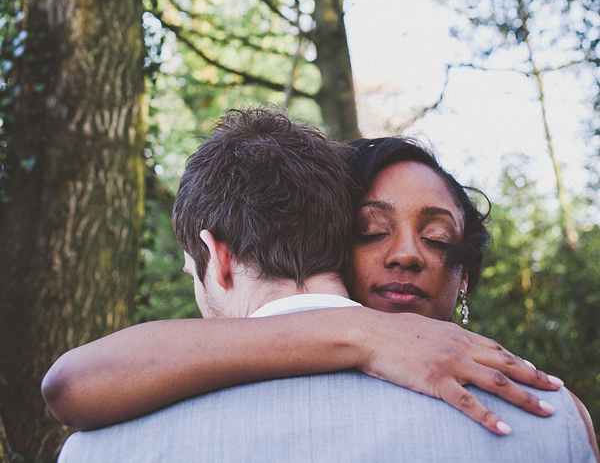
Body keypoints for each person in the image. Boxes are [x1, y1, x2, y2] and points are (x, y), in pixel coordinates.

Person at [45, 108, 598, 462]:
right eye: (371, 230)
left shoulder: (104, 447)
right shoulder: (555, 428)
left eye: (435, 236)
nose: (403, 254)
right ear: (332, 242)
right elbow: (70, 382)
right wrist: (363, 333)